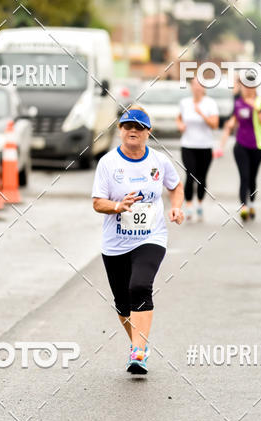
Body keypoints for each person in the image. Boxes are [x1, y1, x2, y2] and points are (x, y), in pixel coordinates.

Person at [92, 106, 184, 375]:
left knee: (140, 286)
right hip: (116, 242)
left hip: (151, 237)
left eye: (139, 127)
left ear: (148, 132)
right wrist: (118, 207)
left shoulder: (159, 161)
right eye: (127, 126)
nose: (133, 131)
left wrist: (177, 207)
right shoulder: (108, 163)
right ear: (120, 130)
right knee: (122, 303)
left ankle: (138, 352)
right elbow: (98, 203)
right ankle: (137, 344)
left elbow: (175, 186)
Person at [216, 76, 261, 221]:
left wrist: (255, 108)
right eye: (244, 86)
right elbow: (233, 122)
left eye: (249, 86)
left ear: (254, 87)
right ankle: (244, 207)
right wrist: (228, 129)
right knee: (244, 176)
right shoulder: (238, 102)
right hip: (241, 145)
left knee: (252, 178)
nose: (246, 89)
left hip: (258, 146)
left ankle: (251, 203)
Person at [177, 76, 219, 221]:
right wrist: (180, 125)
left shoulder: (210, 104)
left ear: (203, 88)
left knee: (201, 178)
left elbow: (214, 124)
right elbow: (179, 118)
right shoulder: (184, 103)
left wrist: (201, 114)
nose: (196, 88)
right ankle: (188, 206)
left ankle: (199, 204)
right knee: (190, 175)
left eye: (199, 85)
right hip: (188, 145)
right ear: (191, 87)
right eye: (194, 85)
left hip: (205, 146)